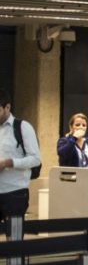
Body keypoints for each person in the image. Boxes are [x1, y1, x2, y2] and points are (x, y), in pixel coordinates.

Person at [0, 90, 40, 222]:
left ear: (7, 107)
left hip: (15, 193)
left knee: (14, 233)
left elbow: (35, 159)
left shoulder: (23, 127)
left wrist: (8, 163)